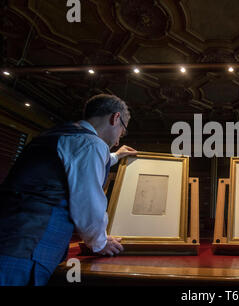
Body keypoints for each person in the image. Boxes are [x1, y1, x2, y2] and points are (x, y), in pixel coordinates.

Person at [0, 94, 138, 286]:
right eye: (121, 132)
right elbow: (87, 204)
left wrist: (116, 156)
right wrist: (99, 242)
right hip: (27, 248)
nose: (117, 141)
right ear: (115, 118)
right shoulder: (92, 144)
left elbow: (74, 161)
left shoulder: (56, 135)